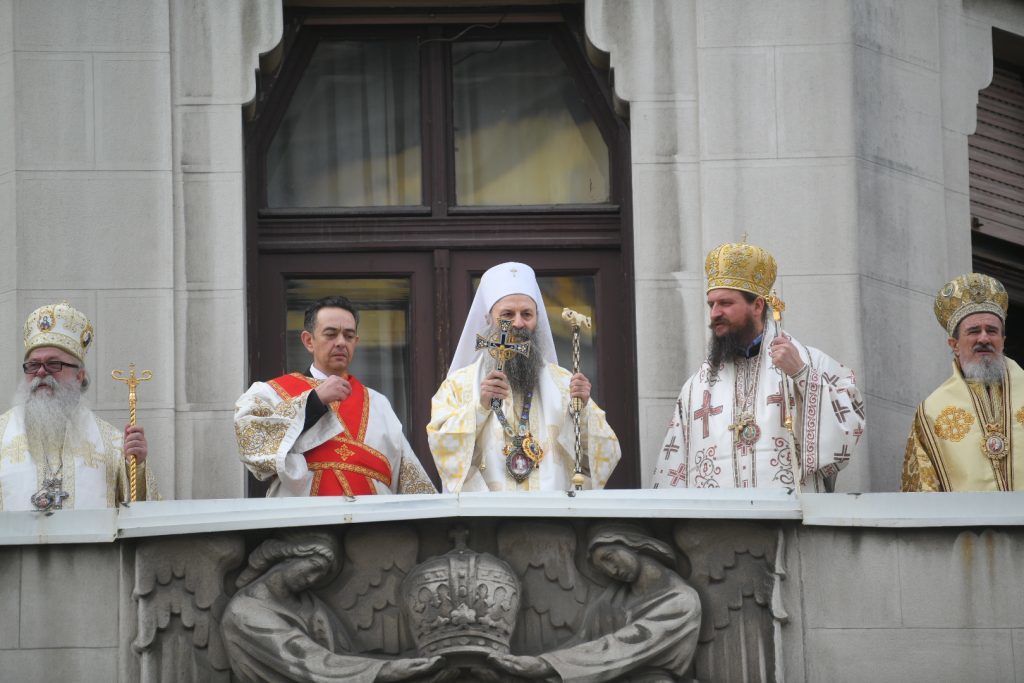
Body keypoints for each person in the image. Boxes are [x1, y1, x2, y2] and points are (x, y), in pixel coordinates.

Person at [651, 241, 864, 491]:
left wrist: (802, 375)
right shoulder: (696, 387)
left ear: (758, 305)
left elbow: (845, 439)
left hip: (789, 520)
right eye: (711, 305)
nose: (714, 313)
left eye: (726, 303)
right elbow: (672, 473)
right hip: (718, 525)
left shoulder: (811, 362)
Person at [427, 262, 621, 492]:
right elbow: (441, 447)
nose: (518, 323)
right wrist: (479, 407)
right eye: (508, 314)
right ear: (488, 318)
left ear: (537, 319)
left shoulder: (563, 384)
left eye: (526, 314)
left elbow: (607, 453)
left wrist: (584, 408)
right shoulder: (458, 386)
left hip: (553, 517)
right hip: (487, 517)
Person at [235, 296, 436, 497]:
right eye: (330, 334)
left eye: (348, 336)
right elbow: (251, 441)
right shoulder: (271, 393)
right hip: (303, 521)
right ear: (308, 341)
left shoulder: (379, 404)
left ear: (355, 342)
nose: (341, 342)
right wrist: (313, 401)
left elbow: (408, 475)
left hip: (372, 521)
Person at [221, 532, 447, 682]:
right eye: (313, 567)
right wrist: (388, 670)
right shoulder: (246, 612)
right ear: (287, 557)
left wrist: (404, 661)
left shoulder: (311, 608)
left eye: (321, 575)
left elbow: (342, 657)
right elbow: (311, 662)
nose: (312, 579)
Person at [487, 523, 701, 681]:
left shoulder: (682, 600)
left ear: (632, 543)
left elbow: (623, 645)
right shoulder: (611, 600)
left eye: (609, 558)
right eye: (603, 569)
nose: (612, 571)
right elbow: (582, 644)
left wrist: (546, 665)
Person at [0, 302, 156, 511]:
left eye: (54, 364)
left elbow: (142, 515)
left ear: (79, 376)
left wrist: (136, 468)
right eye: (33, 365)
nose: (41, 372)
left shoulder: (113, 444)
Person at [902, 273, 1022, 491]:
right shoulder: (932, 412)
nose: (984, 338)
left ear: (1003, 341)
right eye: (974, 331)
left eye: (992, 331)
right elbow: (921, 493)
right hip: (967, 525)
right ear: (954, 344)